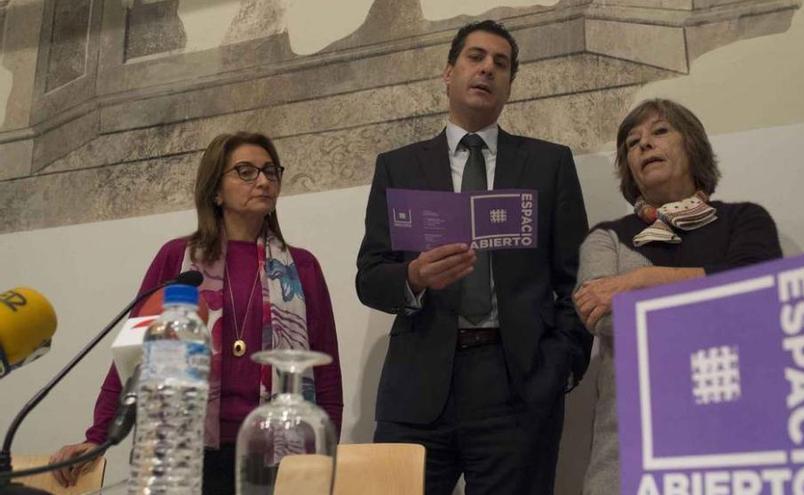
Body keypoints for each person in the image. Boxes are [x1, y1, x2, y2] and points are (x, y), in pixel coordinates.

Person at [356, 19, 590, 495]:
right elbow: (370, 276)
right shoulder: (399, 167)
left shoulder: (549, 164)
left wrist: (559, 366)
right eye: (476, 57)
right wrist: (414, 276)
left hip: (518, 386)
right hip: (417, 385)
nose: (487, 69)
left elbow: (577, 279)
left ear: (509, 84)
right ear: (449, 72)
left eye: (500, 64)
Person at [50, 132, 343, 495]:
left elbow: (326, 374)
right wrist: (97, 437)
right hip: (189, 455)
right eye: (246, 171)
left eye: (271, 171)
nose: (264, 181)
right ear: (216, 190)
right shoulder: (177, 261)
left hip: (279, 456)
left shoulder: (302, 267)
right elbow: (134, 356)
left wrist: (326, 457)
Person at [575, 98, 783, 494]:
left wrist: (642, 281)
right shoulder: (607, 237)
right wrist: (718, 301)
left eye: (660, 132)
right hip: (629, 448)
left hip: (734, 440)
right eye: (632, 142)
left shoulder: (744, 220)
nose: (643, 145)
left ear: (693, 146)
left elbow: (761, 296)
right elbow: (599, 313)